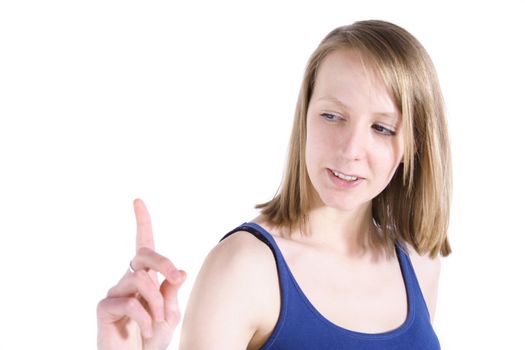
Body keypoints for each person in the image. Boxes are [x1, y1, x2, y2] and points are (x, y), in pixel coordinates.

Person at [97, 19, 452, 349]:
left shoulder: (419, 266)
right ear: (305, 118)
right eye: (332, 116)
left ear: (414, 144)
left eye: (382, 128)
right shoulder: (244, 268)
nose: (351, 150)